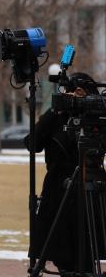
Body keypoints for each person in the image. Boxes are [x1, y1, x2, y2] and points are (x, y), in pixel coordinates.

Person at [26, 72, 102, 274]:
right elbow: (32, 143)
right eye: (71, 92)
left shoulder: (97, 117)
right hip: (58, 191)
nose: (76, 97)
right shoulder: (57, 117)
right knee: (63, 254)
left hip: (90, 188)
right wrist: (55, 111)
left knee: (87, 253)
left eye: (81, 93)